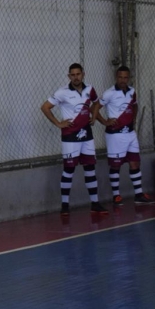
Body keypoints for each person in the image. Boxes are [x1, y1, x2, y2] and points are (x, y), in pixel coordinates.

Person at [40, 63, 109, 216]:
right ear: (69, 76)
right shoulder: (62, 92)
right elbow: (45, 107)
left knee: (90, 168)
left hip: (87, 135)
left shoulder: (90, 89)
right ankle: (65, 205)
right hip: (70, 136)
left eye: (78, 74)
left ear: (83, 74)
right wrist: (58, 123)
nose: (76, 77)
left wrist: (94, 117)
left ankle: (95, 203)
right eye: (73, 75)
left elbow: (96, 103)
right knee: (69, 169)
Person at [91, 66, 155, 205]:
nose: (123, 80)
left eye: (125, 77)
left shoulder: (132, 91)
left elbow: (135, 105)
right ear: (116, 77)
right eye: (120, 77)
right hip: (115, 135)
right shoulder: (109, 93)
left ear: (129, 78)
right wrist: (104, 122)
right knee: (116, 165)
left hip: (130, 133)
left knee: (135, 162)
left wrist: (134, 118)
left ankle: (138, 194)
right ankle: (116, 196)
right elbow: (93, 108)